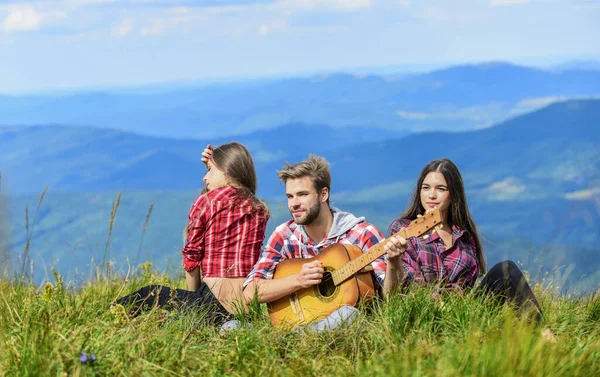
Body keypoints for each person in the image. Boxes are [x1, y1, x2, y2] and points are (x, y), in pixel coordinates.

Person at [382, 158, 555, 339]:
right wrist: (393, 262)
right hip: (429, 320)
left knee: (506, 270)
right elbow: (394, 298)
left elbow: (471, 287)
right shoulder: (404, 230)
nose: (431, 195)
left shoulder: (463, 235)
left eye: (440, 189)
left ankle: (548, 339)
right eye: (426, 188)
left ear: (453, 194)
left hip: (467, 316)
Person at [241, 154, 404, 331]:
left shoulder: (362, 234)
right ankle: (299, 337)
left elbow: (391, 300)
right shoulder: (284, 236)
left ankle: (294, 340)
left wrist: (394, 263)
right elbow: (250, 292)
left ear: (323, 194)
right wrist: (298, 280)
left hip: (347, 329)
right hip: (292, 324)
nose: (294, 204)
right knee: (230, 327)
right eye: (290, 196)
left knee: (349, 314)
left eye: (302, 195)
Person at [115, 142, 270, 326]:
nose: (205, 177)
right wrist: (215, 164)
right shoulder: (259, 208)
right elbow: (234, 195)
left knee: (148, 294)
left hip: (212, 303)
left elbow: (192, 258)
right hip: (247, 308)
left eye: (210, 171)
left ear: (227, 171)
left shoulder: (206, 202)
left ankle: (106, 317)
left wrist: (193, 296)